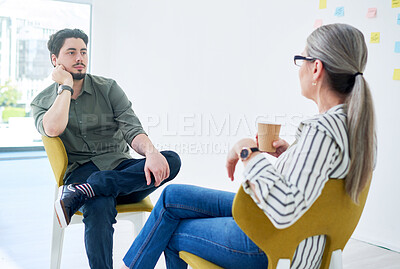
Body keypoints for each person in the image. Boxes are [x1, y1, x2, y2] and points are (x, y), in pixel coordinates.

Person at [121, 23, 376, 269]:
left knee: (170, 230)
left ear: (316, 68)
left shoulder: (320, 131)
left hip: (272, 243)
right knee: (172, 196)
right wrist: (291, 155)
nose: (299, 69)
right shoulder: (353, 127)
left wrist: (248, 153)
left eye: (301, 60)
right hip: (291, 235)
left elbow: (283, 208)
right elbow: (317, 184)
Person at [30, 28, 181, 269]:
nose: (80, 58)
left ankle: (85, 190)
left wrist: (152, 153)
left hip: (120, 169)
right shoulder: (42, 101)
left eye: (83, 52)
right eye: (71, 52)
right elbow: (53, 129)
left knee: (170, 159)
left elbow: (132, 130)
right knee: (98, 204)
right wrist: (66, 86)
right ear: (55, 60)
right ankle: (90, 189)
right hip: (80, 171)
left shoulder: (109, 88)